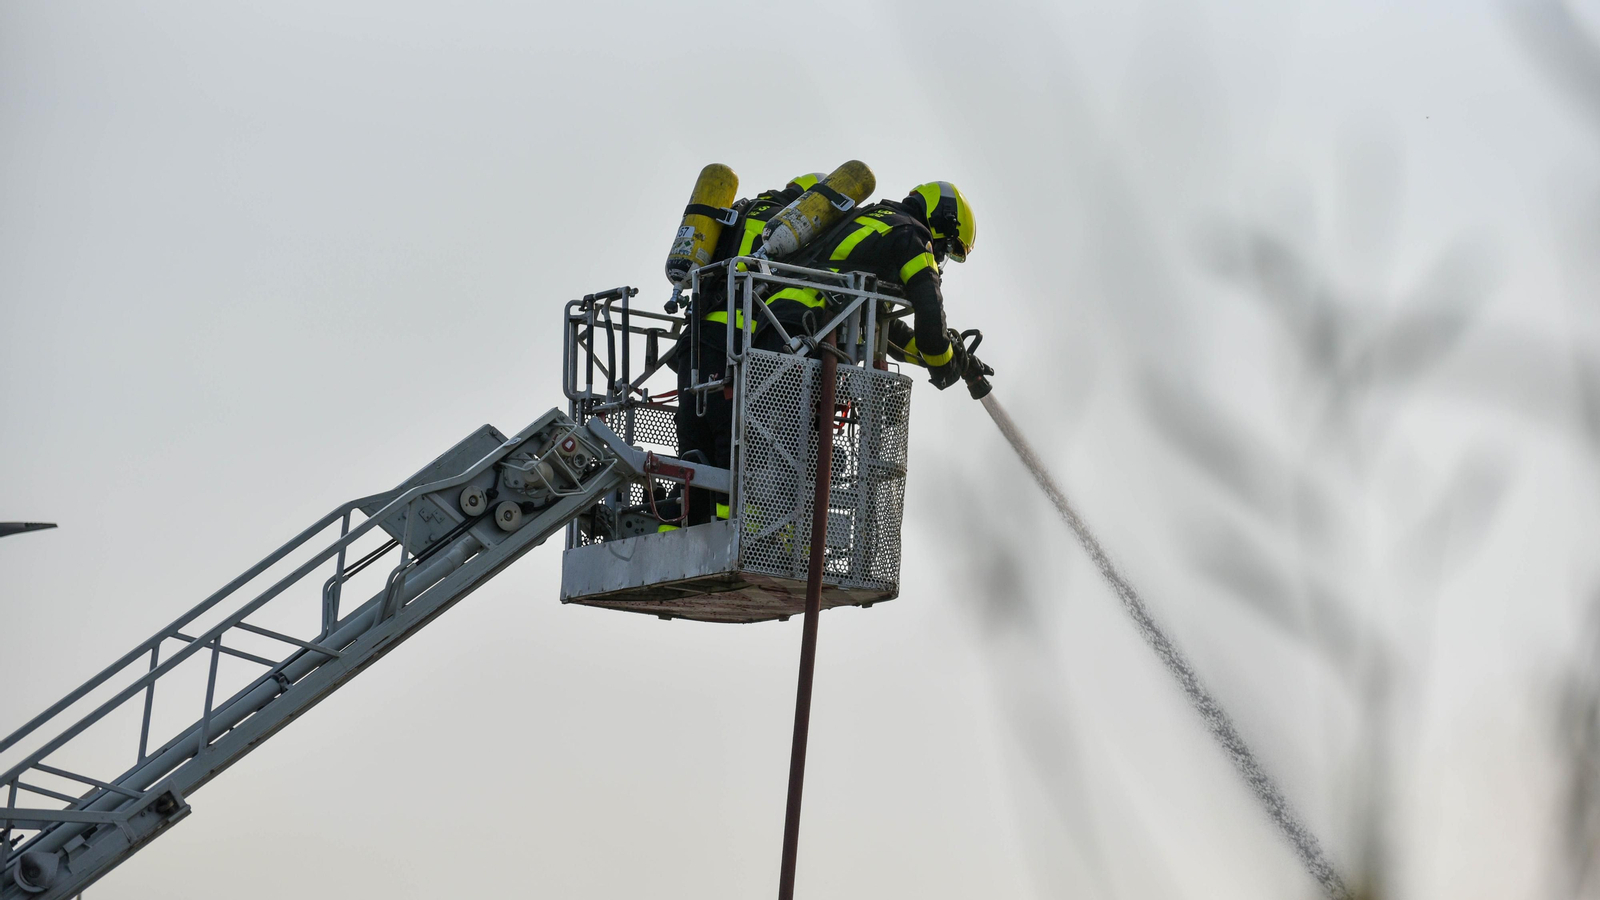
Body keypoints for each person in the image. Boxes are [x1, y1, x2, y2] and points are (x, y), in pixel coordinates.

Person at [671, 172, 826, 525]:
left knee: (693, 445)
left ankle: (685, 526)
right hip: (732, 346)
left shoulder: (742, 211)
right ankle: (736, 530)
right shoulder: (789, 229)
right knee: (734, 443)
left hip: (694, 342)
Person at [758, 181, 985, 391]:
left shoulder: (876, 221)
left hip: (778, 320)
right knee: (788, 425)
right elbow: (930, 312)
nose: (939, 257)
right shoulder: (912, 235)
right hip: (809, 327)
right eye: (945, 248)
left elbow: (889, 331)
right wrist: (945, 364)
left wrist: (957, 358)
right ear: (942, 220)